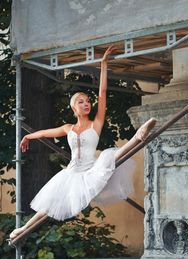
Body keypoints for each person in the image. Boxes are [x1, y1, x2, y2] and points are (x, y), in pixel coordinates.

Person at [10, 46, 156, 241]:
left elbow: (102, 94)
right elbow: (46, 132)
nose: (86, 103)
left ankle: (138, 137)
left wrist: (103, 65)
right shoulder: (68, 128)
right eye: (81, 101)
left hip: (91, 171)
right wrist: (29, 136)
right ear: (73, 108)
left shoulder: (96, 124)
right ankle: (22, 229)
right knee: (48, 206)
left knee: (109, 157)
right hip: (71, 174)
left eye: (87, 101)